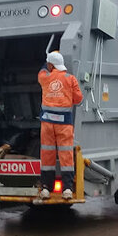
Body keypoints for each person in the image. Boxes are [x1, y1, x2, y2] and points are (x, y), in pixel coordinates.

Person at [38, 51, 83, 200]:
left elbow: (42, 70)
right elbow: (78, 99)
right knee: (66, 156)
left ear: (51, 65)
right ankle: (67, 188)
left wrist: (48, 62)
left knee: (47, 155)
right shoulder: (70, 79)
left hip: (47, 124)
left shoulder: (45, 77)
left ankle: (46, 187)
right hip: (64, 124)